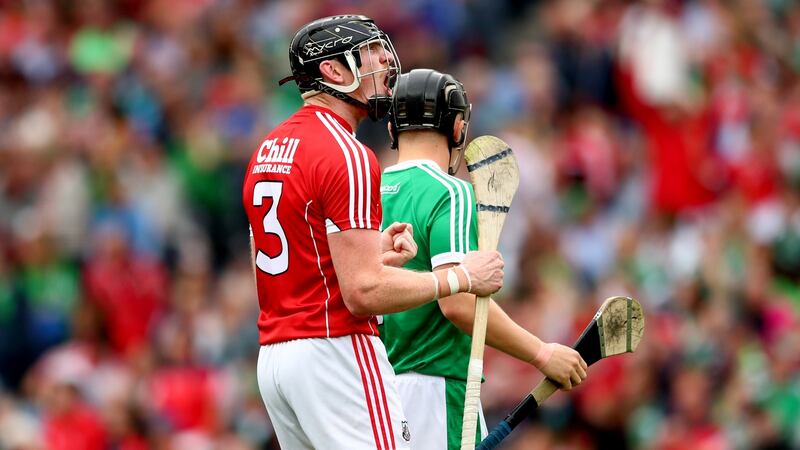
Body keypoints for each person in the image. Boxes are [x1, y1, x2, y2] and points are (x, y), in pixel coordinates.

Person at [241, 17, 505, 449]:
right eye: (370, 53)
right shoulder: (348, 153)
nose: (385, 62)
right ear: (332, 71)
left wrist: (369, 252)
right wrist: (462, 277)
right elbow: (363, 292)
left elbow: (276, 272)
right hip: (335, 353)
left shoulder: (268, 148)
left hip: (275, 361)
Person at [379, 68, 589, 449]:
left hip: (379, 393)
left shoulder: (369, 191)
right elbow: (458, 304)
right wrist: (542, 354)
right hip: (439, 392)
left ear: (393, 130)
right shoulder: (450, 192)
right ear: (458, 128)